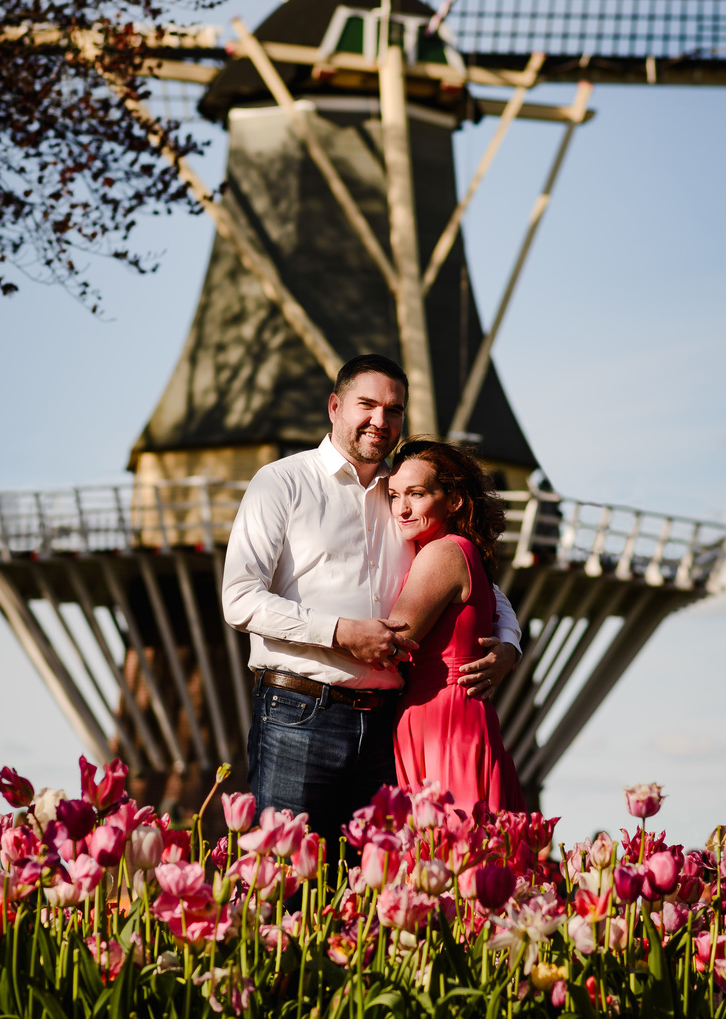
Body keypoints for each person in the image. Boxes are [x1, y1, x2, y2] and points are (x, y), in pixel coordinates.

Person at [222, 354, 522, 865]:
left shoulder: (403, 492)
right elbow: (239, 597)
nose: (380, 421)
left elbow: (472, 572)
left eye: (394, 409)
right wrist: (339, 633)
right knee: (286, 888)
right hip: (301, 715)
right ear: (336, 407)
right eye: (367, 404)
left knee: (374, 899)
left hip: (387, 728)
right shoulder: (283, 483)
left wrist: (510, 642)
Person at [388, 439, 525, 812]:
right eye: (393, 495)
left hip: (441, 717)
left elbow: (396, 639)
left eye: (416, 494)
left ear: (454, 500)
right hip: (453, 711)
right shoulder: (461, 549)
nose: (401, 509)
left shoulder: (442, 552)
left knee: (448, 848)